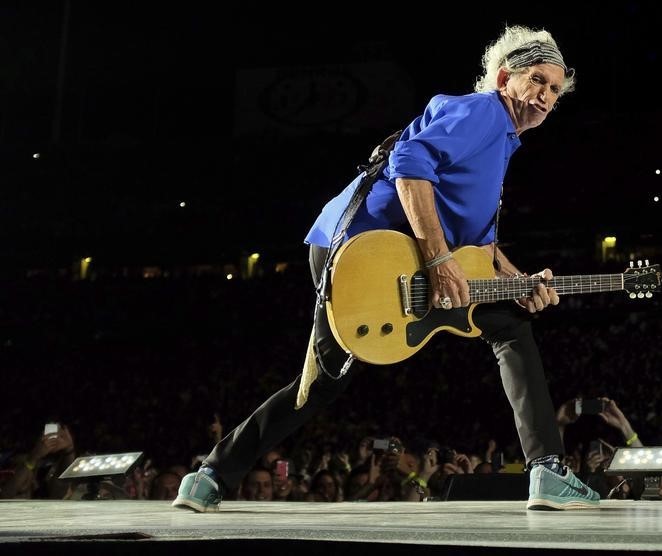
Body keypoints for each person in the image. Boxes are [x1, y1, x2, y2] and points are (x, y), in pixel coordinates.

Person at [173, 24, 599, 513]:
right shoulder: (484, 111)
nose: (546, 96)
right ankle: (547, 470)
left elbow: (480, 245)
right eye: (537, 81)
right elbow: (410, 161)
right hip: (366, 252)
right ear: (505, 78)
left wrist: (520, 282)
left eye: (555, 89)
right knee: (510, 332)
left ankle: (209, 477)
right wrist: (439, 260)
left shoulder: (501, 141)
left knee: (323, 382)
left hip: (373, 255)